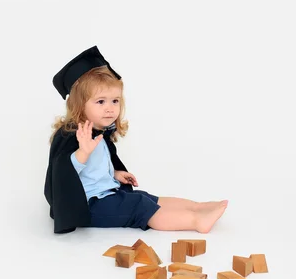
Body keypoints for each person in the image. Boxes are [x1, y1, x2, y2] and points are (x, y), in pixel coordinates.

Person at [44, 46, 227, 234]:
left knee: (145, 198)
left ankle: (197, 207)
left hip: (107, 194)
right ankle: (196, 221)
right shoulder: (72, 136)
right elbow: (65, 171)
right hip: (90, 206)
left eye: (115, 101)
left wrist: (115, 174)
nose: (110, 108)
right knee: (139, 207)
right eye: (101, 101)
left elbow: (94, 171)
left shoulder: (99, 131)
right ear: (79, 105)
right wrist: (83, 151)